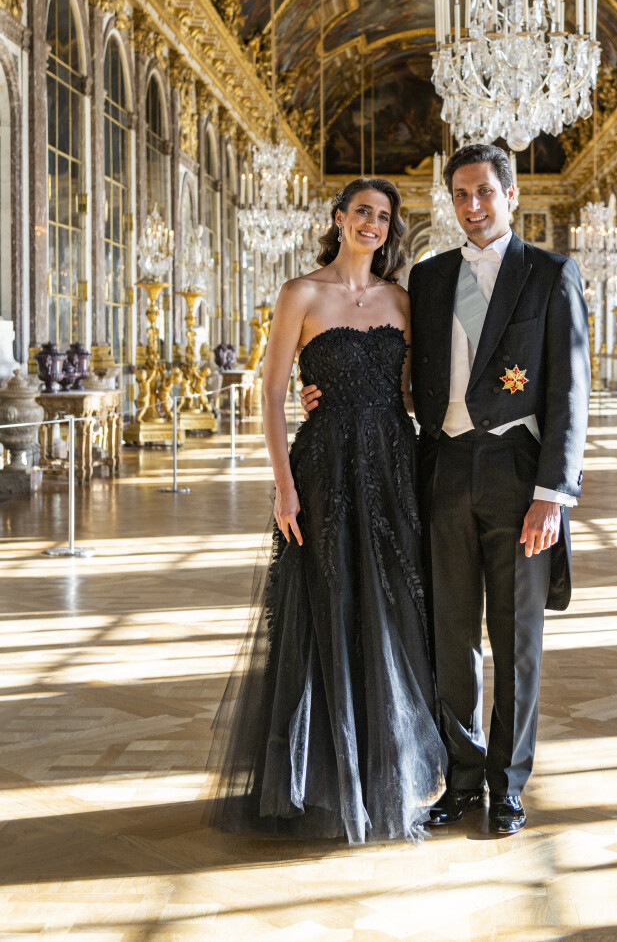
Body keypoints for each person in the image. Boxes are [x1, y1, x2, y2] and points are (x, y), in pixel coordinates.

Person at [303, 143, 590, 835]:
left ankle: (509, 784)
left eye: (485, 192)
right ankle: (461, 776)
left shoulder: (551, 274)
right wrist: (325, 391)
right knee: (449, 637)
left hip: (521, 478)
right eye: (461, 195)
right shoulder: (428, 280)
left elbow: (571, 391)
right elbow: (385, 362)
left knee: (515, 638)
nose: (473, 206)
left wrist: (554, 492)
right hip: (439, 471)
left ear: (511, 195)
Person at [208, 177, 445, 844]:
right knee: (327, 611)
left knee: (395, 610)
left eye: (383, 217)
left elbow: (412, 391)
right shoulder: (301, 294)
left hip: (394, 466)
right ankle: (319, 784)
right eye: (362, 212)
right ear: (338, 218)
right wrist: (284, 487)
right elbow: (274, 391)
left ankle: (386, 775)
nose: (373, 223)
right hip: (324, 469)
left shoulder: (402, 299)